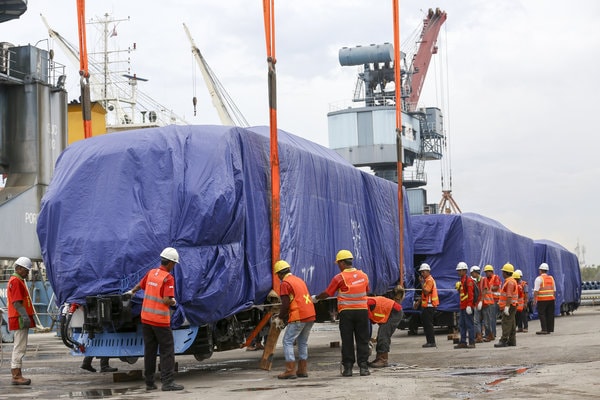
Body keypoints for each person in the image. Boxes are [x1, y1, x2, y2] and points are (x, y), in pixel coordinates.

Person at [125, 247, 183, 391]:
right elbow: (165, 300)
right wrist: (174, 302)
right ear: (170, 263)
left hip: (146, 319)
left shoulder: (152, 273)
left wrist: (132, 292)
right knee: (167, 351)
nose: (174, 267)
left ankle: (149, 383)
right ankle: (168, 382)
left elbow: (140, 285)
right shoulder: (168, 278)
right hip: (160, 321)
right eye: (174, 264)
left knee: (149, 351)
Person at [314, 249, 371, 377]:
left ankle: (348, 368)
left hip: (347, 313)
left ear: (341, 263)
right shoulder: (364, 275)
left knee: (347, 340)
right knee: (363, 339)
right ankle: (363, 367)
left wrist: (316, 298)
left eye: (338, 264)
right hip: (362, 311)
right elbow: (367, 290)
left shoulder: (339, 278)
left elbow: (328, 293)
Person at [272, 260, 316, 379]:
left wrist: (280, 318)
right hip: (310, 314)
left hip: (299, 316)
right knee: (302, 342)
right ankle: (302, 370)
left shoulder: (285, 283)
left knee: (287, 341)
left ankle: (290, 370)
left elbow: (285, 304)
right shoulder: (298, 280)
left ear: (280, 274)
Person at [7, 257, 36, 385]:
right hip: (19, 318)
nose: (28, 273)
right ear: (19, 268)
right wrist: (25, 317)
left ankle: (17, 374)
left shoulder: (16, 280)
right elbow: (17, 303)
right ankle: (16, 375)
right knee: (19, 347)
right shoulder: (17, 281)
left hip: (19, 317)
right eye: (26, 270)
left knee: (19, 346)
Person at [366, 288, 404, 368]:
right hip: (388, 312)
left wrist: (367, 338)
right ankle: (379, 358)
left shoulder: (365, 303)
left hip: (394, 312)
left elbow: (367, 321)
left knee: (383, 335)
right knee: (381, 335)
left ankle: (383, 360)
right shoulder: (365, 302)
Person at [494, 263, 518, 347]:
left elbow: (509, 295)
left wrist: (507, 307)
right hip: (512, 305)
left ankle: (503, 340)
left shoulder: (510, 282)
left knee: (506, 323)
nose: (502, 273)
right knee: (511, 323)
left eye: (503, 272)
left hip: (509, 305)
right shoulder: (511, 281)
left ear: (506, 272)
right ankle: (512, 341)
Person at [454, 262, 476, 349]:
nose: (458, 272)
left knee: (469, 325)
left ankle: (472, 342)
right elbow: (463, 294)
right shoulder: (462, 281)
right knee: (462, 325)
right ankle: (463, 342)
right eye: (458, 270)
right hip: (463, 306)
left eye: (460, 270)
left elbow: (471, 294)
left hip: (467, 307)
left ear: (464, 271)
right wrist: (459, 289)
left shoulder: (468, 280)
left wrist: (469, 305)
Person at [418, 263, 439, 348]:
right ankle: (429, 341)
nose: (422, 274)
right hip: (427, 305)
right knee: (426, 324)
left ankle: (431, 342)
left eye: (423, 272)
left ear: (428, 271)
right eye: (421, 272)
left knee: (428, 325)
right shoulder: (427, 280)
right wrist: (418, 302)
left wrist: (421, 283)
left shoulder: (429, 280)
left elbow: (426, 291)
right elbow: (424, 294)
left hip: (429, 306)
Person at [533, 262, 556, 335]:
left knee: (542, 314)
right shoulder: (551, 278)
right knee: (550, 314)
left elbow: (536, 290)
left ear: (540, 270)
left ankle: (544, 329)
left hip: (542, 300)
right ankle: (549, 329)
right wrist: (553, 298)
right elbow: (554, 290)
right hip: (551, 299)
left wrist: (534, 300)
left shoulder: (539, 279)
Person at [481, 264, 501, 342]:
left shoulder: (495, 277)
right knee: (488, 319)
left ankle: (493, 333)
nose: (486, 273)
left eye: (487, 272)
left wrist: (488, 287)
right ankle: (489, 334)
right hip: (488, 301)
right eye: (485, 272)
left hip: (495, 300)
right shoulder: (485, 279)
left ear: (491, 271)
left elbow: (496, 287)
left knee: (492, 318)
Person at [470, 266, 484, 343]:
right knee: (479, 320)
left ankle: (479, 336)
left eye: (472, 273)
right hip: (477, 303)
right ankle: (479, 335)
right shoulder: (476, 281)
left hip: (480, 303)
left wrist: (481, 301)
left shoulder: (482, 280)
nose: (471, 275)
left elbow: (484, 291)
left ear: (475, 272)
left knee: (476, 321)